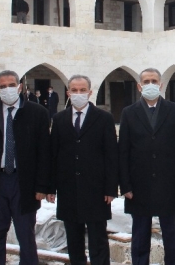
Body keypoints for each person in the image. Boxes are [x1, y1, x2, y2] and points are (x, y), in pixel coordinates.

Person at [0, 70, 51, 265]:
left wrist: (42, 186)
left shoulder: (37, 113)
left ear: (20, 87)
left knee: (26, 234)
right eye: (3, 86)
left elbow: (44, 153)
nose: (8, 89)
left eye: (11, 85)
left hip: (24, 183)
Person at [118, 68, 175, 265]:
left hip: (169, 183)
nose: (150, 84)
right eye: (146, 81)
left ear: (161, 85)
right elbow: (123, 151)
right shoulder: (129, 113)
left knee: (171, 236)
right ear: (139, 86)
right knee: (140, 237)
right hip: (138, 184)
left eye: (154, 81)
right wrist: (125, 184)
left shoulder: (174, 111)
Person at [47, 75, 118, 265]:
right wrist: (51, 187)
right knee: (74, 240)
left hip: (96, 190)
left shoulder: (104, 118)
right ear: (68, 93)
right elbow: (54, 154)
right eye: (74, 90)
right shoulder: (59, 119)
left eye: (82, 90)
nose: (78, 94)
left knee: (98, 240)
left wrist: (111, 188)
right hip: (68, 189)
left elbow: (111, 155)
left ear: (90, 92)